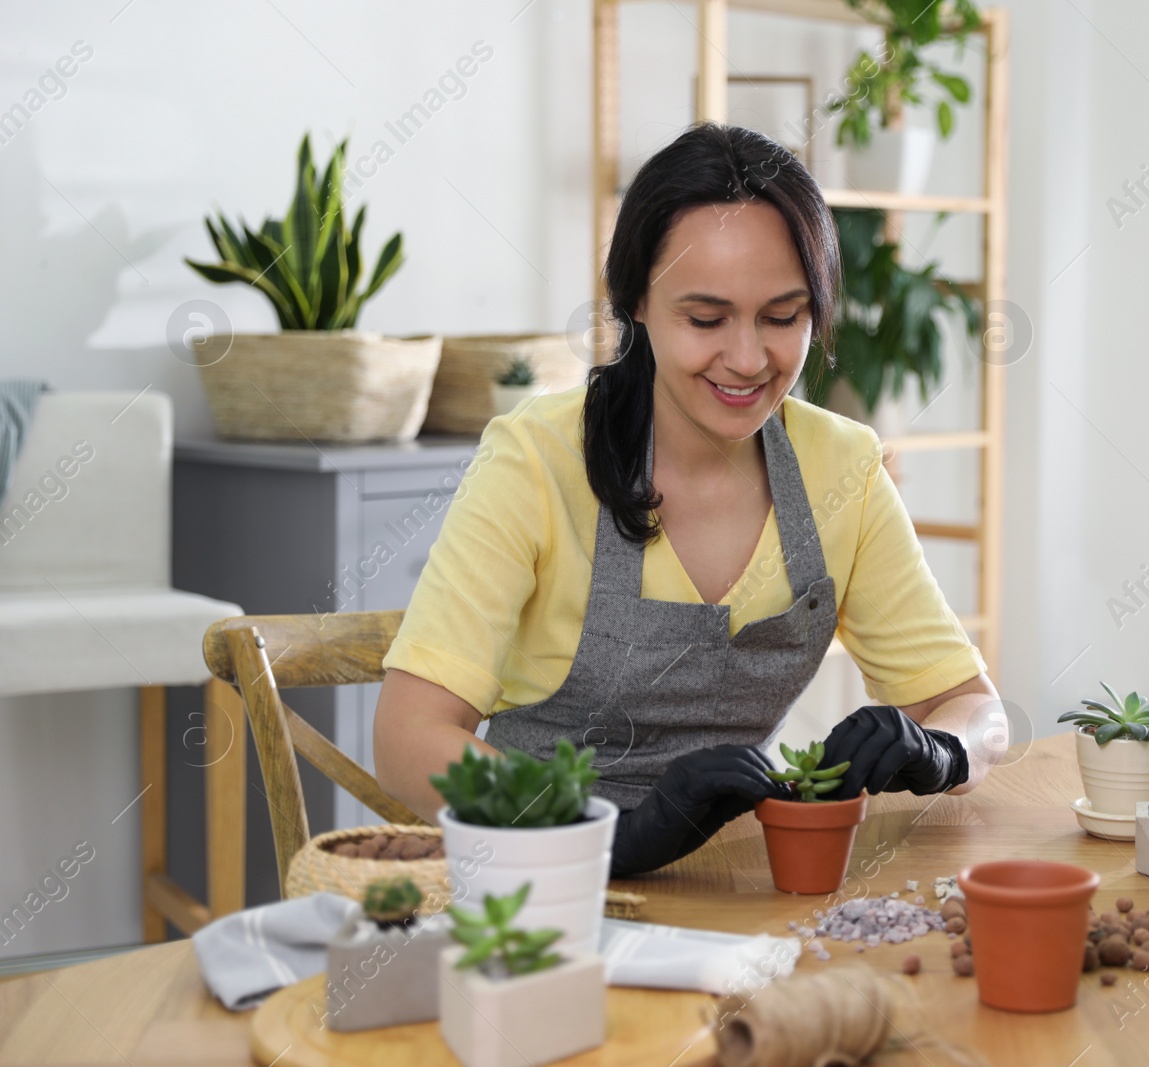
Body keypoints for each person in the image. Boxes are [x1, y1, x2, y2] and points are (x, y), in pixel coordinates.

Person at [372, 122, 1005, 877]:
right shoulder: (536, 458)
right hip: (531, 890)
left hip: (728, 884)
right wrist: (604, 834)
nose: (747, 358)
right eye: (705, 319)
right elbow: (409, 741)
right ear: (637, 299)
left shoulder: (844, 467)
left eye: (783, 317)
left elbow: (978, 708)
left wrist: (941, 749)